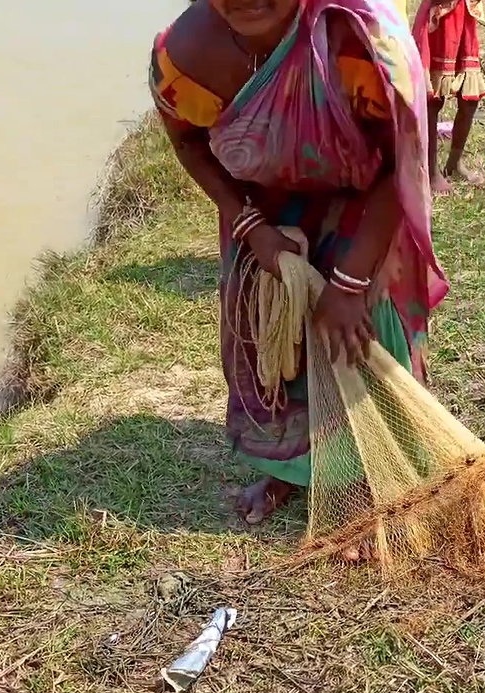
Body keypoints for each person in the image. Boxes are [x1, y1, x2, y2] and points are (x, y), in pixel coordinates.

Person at [149, 0, 449, 535]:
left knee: (360, 338)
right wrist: (251, 228)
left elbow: (401, 161)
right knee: (274, 341)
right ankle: (291, 468)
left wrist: (351, 280)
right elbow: (188, 143)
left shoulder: (364, 41)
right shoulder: (183, 55)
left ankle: (368, 482)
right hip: (266, 208)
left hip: (366, 203)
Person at [414, 0, 485, 191]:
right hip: (440, 19)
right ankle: (431, 172)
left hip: (465, 16)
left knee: (470, 98)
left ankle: (454, 163)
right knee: (433, 99)